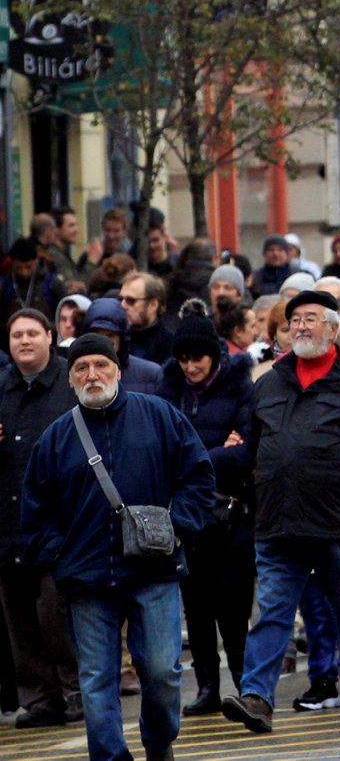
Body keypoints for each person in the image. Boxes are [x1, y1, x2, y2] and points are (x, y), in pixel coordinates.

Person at [20, 331, 214, 761]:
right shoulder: (55, 438)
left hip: (155, 570)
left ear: (118, 370)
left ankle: (159, 744)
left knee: (163, 673)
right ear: (70, 379)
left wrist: (177, 527)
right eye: (81, 368)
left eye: (101, 365)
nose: (92, 375)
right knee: (95, 681)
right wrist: (58, 553)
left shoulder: (160, 416)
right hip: (86, 578)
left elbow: (198, 476)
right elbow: (35, 509)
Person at [223, 290, 340, 734]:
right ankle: (257, 697)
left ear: (333, 330)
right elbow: (254, 444)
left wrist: (337, 476)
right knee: (274, 610)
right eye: (295, 319)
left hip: (334, 517)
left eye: (311, 319)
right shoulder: (268, 384)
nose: (301, 326)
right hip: (277, 518)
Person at [162, 314, 256, 716]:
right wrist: (218, 452)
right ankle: (207, 687)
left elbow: (249, 449)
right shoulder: (170, 393)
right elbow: (161, 449)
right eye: (183, 358)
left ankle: (245, 684)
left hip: (232, 515)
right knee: (196, 608)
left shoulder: (239, 389)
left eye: (197, 357)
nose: (190, 365)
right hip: (187, 517)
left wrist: (198, 459)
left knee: (234, 607)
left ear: (215, 355)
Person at [0, 310, 79, 728]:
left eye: (33, 333)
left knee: (58, 615)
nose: (25, 341)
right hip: (7, 523)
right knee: (20, 621)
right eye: (17, 335)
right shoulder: (1, 386)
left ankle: (77, 691)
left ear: (50, 337)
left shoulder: (69, 382)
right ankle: (41, 699)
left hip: (58, 524)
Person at [75, 296, 165, 398]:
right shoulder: (74, 374)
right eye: (98, 336)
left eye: (110, 335)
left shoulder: (151, 374)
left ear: (122, 338)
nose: (104, 342)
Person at [121, 273, 175, 365]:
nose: (122, 305)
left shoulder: (171, 346)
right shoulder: (115, 338)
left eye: (131, 301)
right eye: (120, 299)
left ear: (153, 305)